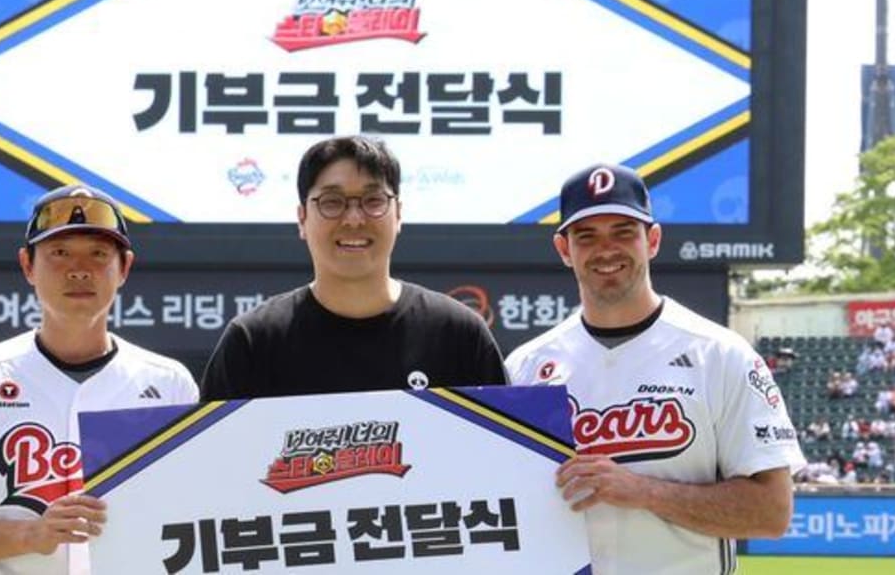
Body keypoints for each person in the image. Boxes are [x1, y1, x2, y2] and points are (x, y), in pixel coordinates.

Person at [504, 163, 804, 575]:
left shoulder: (720, 354)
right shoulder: (525, 367)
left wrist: (641, 491)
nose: (606, 249)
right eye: (586, 236)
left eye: (623, 232)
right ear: (563, 249)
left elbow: (772, 512)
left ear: (653, 240)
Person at [0, 184, 199, 575]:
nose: (79, 269)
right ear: (28, 265)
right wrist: (30, 535)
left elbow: (192, 515)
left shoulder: (170, 384)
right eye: (59, 252)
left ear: (124, 267)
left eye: (98, 253)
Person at [201, 136, 506, 399]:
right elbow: (206, 461)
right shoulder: (253, 342)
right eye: (332, 202)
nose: (354, 219)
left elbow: (509, 454)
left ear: (398, 213)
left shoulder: (459, 336)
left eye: (373, 200)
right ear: (302, 218)